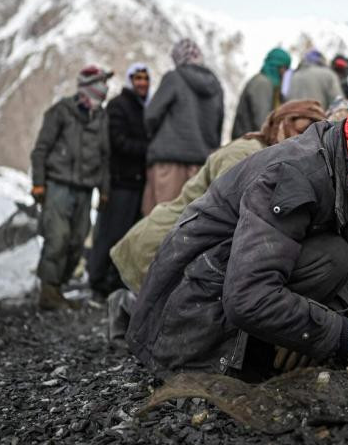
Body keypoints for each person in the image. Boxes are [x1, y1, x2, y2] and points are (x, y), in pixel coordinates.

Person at [126, 93, 348, 378]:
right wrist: (345, 337)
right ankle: (257, 354)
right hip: (192, 320)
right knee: (333, 257)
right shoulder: (292, 176)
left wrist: (324, 321)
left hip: (240, 287)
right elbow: (248, 298)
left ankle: (285, 339)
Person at [105, 101, 326, 344]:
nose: (304, 140)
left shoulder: (269, 154)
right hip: (166, 237)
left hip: (184, 236)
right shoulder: (245, 152)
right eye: (300, 129)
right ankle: (125, 305)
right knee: (171, 307)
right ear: (281, 123)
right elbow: (230, 209)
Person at [29, 65, 112, 310]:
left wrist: (104, 189)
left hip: (85, 190)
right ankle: (48, 291)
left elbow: (105, 157)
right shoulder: (61, 111)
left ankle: (59, 288)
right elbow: (41, 149)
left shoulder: (101, 117)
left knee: (76, 241)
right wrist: (38, 183)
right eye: (100, 84)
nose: (104, 89)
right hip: (58, 186)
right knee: (58, 237)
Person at [88, 63, 151, 298]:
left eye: (145, 78)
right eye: (138, 78)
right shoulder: (119, 106)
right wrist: (150, 150)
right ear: (129, 81)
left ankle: (114, 283)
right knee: (110, 234)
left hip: (137, 183)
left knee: (127, 236)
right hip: (120, 182)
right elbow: (118, 142)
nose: (142, 82)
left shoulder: (143, 107)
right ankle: (97, 282)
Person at [142, 38, 224, 215]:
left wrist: (153, 136)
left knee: (159, 220)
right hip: (199, 165)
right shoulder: (215, 85)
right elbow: (217, 125)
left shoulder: (174, 77)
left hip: (168, 161)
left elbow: (151, 115)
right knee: (188, 224)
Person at [231, 48, 292, 139]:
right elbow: (262, 122)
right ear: (278, 67)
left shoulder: (269, 84)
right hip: (248, 143)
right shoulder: (262, 83)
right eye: (285, 68)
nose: (285, 74)